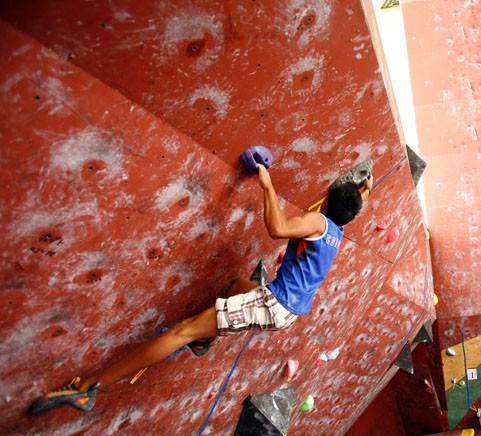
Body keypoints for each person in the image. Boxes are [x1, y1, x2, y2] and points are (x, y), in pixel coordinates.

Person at [30, 163, 372, 414]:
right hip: (289, 310)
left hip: (273, 303)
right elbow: (349, 204)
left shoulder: (319, 221)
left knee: (180, 331)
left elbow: (278, 227)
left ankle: (89, 387)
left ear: (326, 204)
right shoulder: (337, 232)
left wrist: (267, 185)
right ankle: (207, 337)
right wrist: (364, 185)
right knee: (239, 285)